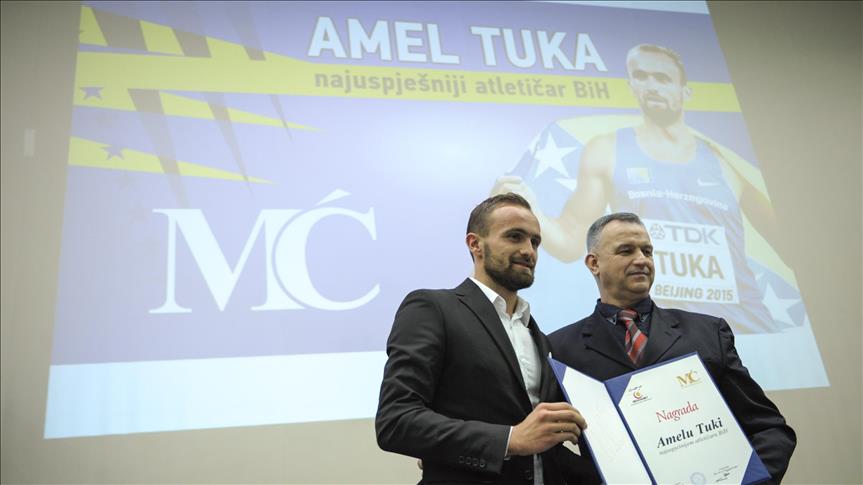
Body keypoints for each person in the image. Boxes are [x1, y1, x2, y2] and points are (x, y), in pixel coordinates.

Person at [493, 43, 796, 334]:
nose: (651, 86)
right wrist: (530, 207)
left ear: (685, 91)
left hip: (745, 324)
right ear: (632, 86)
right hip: (661, 328)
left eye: (662, 78)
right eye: (641, 77)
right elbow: (571, 241)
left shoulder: (721, 160)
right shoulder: (607, 150)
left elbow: (791, 247)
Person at [549, 212, 796, 483]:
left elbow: (769, 429)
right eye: (626, 251)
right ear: (594, 263)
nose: (642, 260)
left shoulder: (708, 332)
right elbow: (548, 447)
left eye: (647, 251)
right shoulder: (559, 350)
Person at [376, 193, 598, 484]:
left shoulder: (539, 338)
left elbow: (544, 450)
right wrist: (509, 439)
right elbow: (396, 421)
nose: (528, 251)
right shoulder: (433, 309)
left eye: (535, 242)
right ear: (475, 244)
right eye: (514, 237)